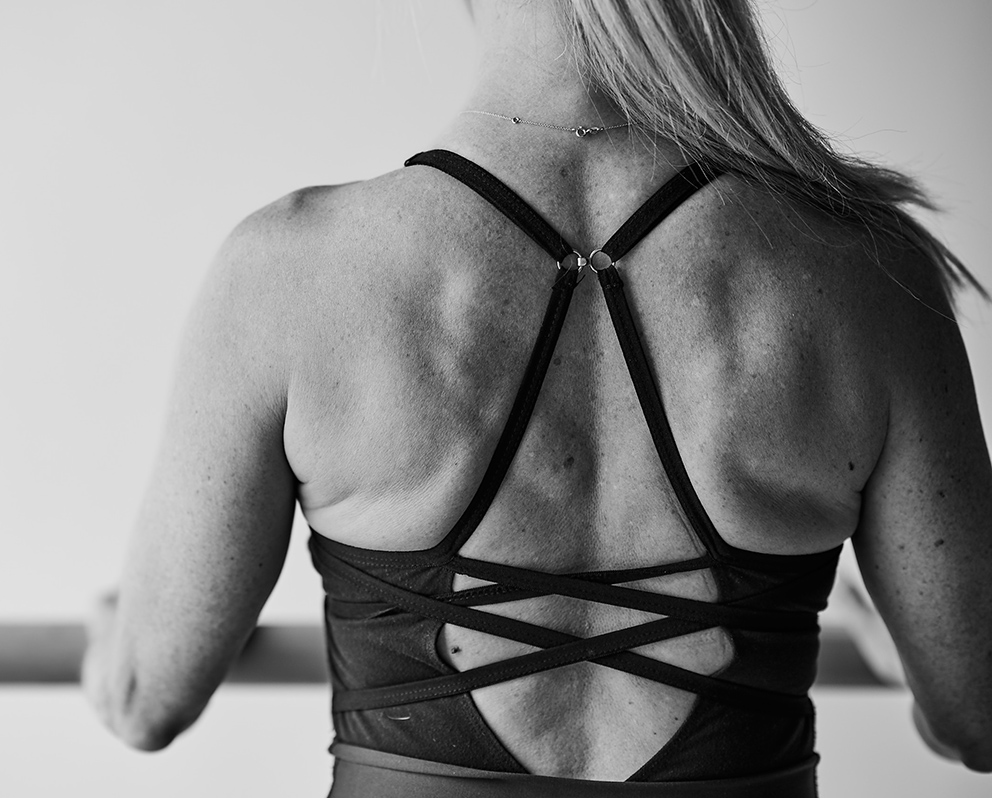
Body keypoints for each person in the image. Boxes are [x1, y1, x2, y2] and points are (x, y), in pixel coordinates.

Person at [81, 0, 992, 794]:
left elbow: (144, 700)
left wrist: (119, 631)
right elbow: (979, 715)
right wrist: (901, 667)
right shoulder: (869, 278)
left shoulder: (291, 274)